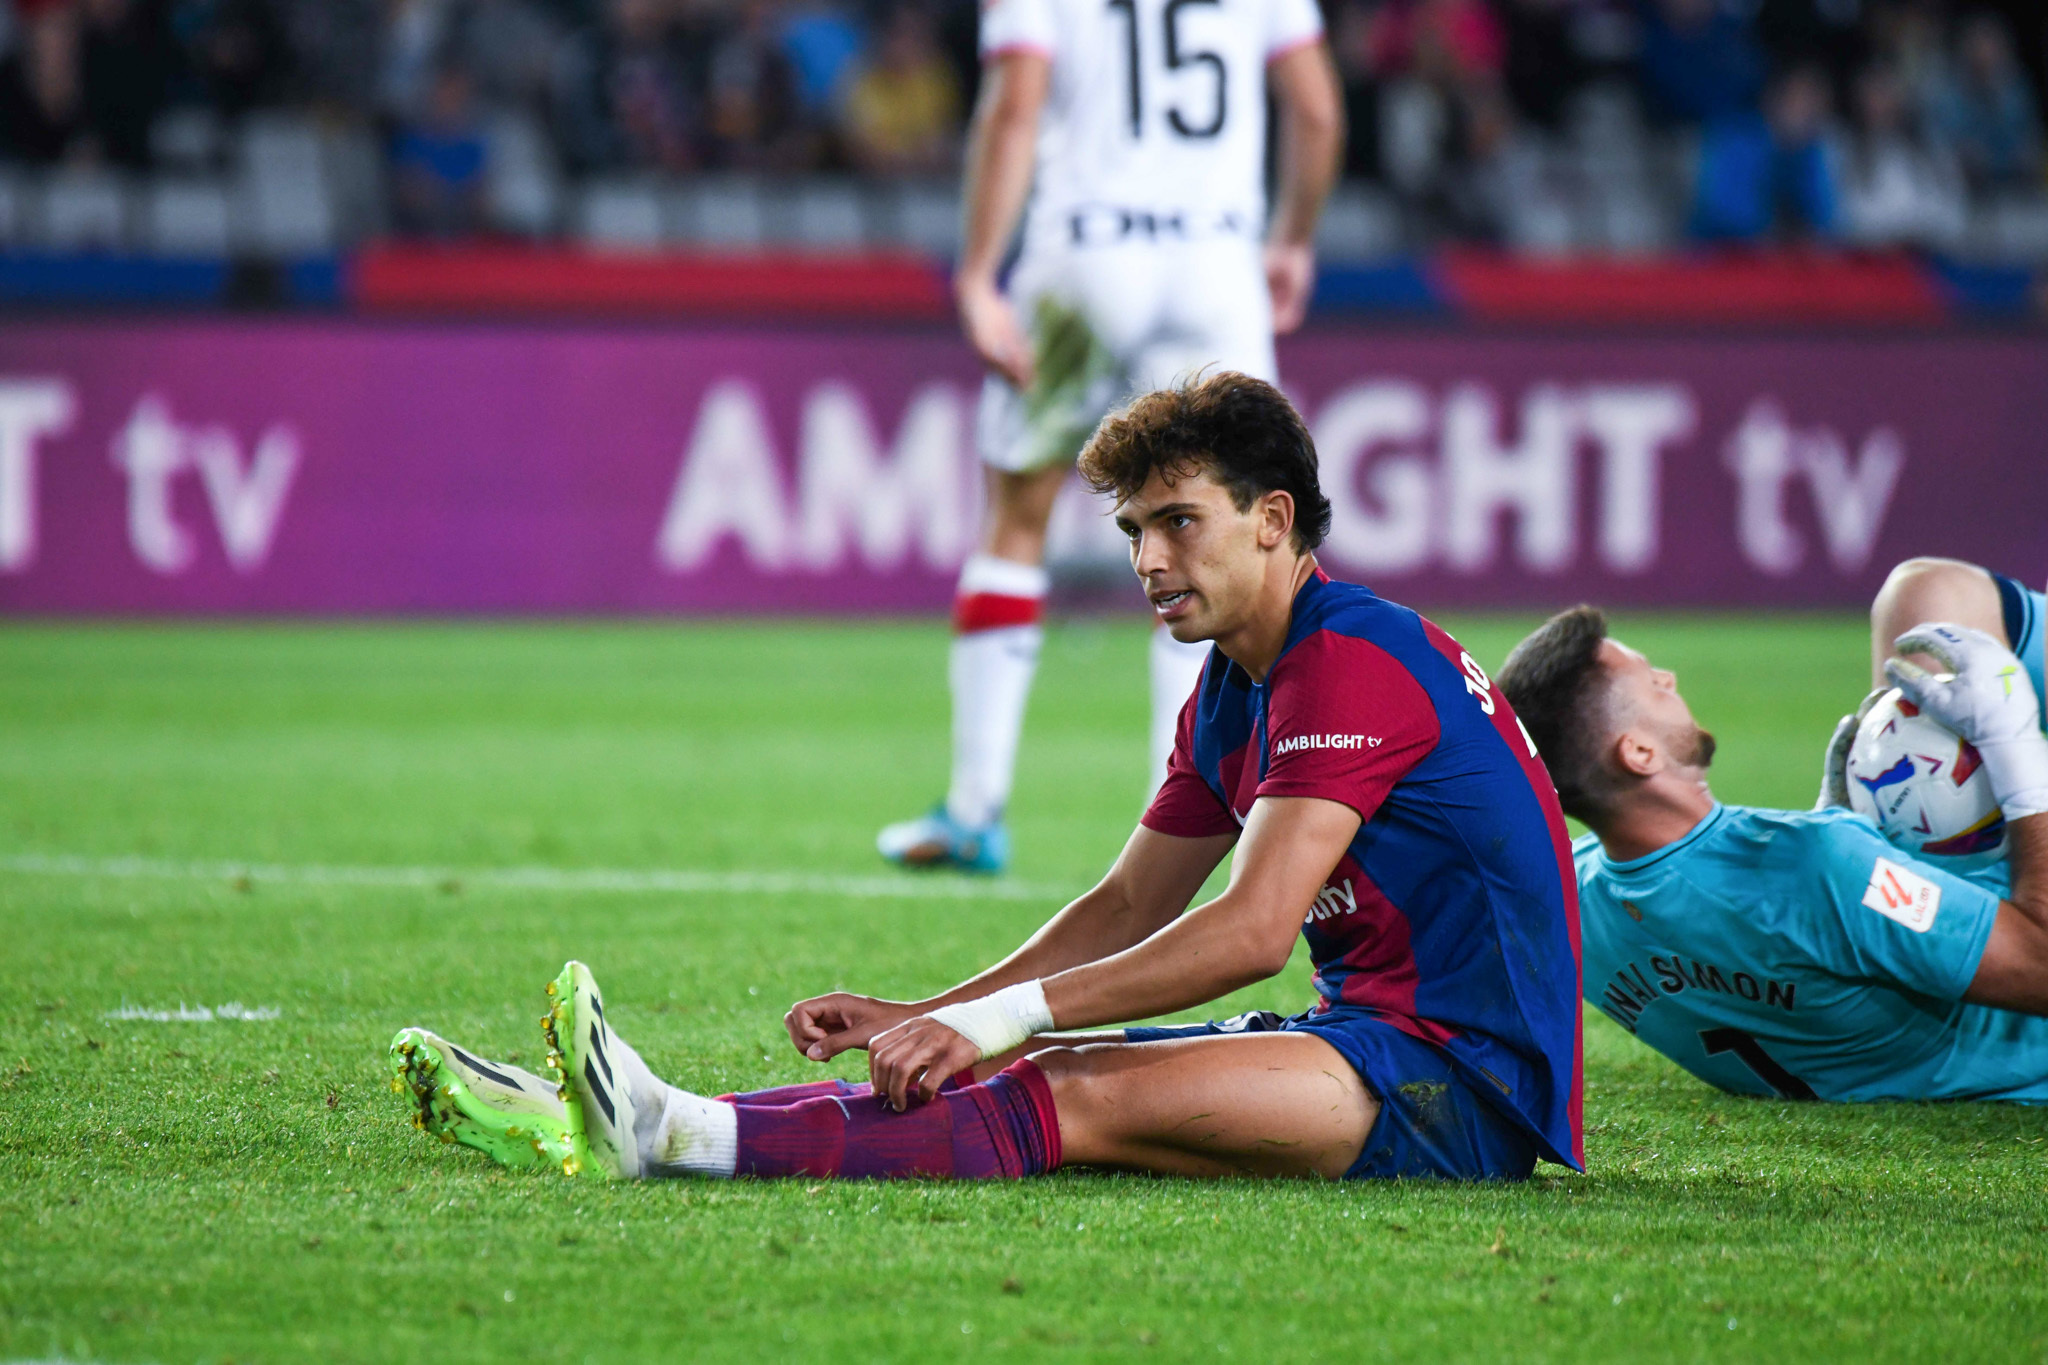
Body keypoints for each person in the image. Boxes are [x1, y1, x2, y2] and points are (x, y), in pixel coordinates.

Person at [392, 374, 1584, 1184]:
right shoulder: (1237, 680)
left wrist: (992, 1020)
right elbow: (1126, 907)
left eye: (1177, 522)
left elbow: (1247, 931)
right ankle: (641, 1121)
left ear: (1273, 519)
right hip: (1370, 1041)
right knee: (1042, 1068)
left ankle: (675, 1135)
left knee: (1071, 1087)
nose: (1148, 560)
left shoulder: (1349, 660)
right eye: (1130, 533)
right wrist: (932, 1013)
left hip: (1461, 1084)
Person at [873, 0, 1345, 872]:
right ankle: (1190, 813)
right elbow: (1315, 108)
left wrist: (978, 271)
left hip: (1086, 259)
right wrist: (1295, 240)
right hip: (1216, 267)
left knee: (1017, 516)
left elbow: (1015, 107)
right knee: (1225, 533)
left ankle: (975, 807)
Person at [1497, 604, 2048, 1103]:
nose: (1670, 678)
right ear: (1639, 753)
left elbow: (1763, 937)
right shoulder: (1823, 865)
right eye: (1652, 683)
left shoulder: (1567, 910)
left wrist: (1844, 831)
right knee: (1926, 586)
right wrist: (2014, 746)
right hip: (2024, 1058)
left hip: (1856, 1067)